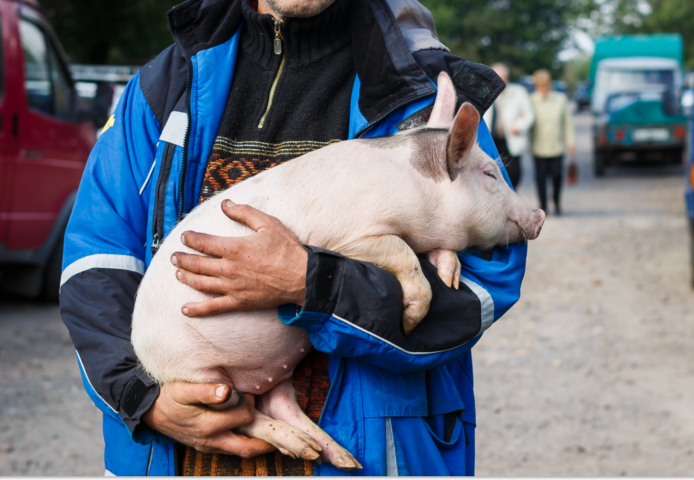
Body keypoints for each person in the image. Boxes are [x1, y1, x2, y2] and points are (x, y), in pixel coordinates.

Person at [59, 0, 528, 475]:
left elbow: (482, 290)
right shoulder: (165, 86)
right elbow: (97, 260)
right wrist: (143, 398)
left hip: (370, 456)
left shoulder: (422, 93)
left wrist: (310, 282)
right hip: (176, 457)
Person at [529, 69, 575, 215]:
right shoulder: (531, 100)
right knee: (541, 179)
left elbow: (567, 123)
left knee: (557, 176)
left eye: (546, 86)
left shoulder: (561, 99)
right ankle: (543, 206)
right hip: (539, 147)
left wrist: (570, 142)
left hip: (557, 146)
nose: (543, 89)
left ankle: (556, 201)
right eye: (540, 86)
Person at [482, 63, 534, 190]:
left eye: (503, 77)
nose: (500, 80)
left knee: (514, 173)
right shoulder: (485, 91)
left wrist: (518, 126)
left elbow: (529, 115)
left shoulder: (518, 92)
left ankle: (511, 194)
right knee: (491, 173)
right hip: (491, 140)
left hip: (511, 138)